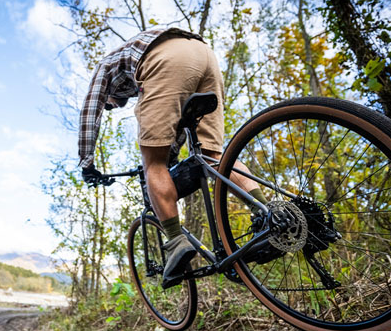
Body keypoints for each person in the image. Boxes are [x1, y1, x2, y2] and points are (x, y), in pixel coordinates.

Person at [78, 27, 268, 288]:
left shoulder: (106, 66)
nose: (113, 105)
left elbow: (90, 110)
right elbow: (174, 124)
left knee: (152, 164)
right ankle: (268, 213)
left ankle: (176, 242)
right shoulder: (135, 69)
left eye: (112, 104)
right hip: (205, 56)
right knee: (214, 156)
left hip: (165, 56)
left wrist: (86, 162)